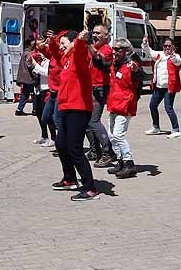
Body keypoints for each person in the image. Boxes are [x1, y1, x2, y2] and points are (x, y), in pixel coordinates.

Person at [53, 29, 101, 201]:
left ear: (73, 43)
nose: (61, 46)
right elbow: (54, 53)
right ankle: (70, 179)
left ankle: (90, 188)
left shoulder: (79, 58)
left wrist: (80, 41)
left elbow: (80, 51)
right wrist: (52, 41)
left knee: (75, 148)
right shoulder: (66, 59)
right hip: (66, 107)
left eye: (64, 43)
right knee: (61, 144)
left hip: (79, 108)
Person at [106, 38, 142, 179]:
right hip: (114, 103)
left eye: (118, 49)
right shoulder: (115, 64)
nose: (115, 51)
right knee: (111, 135)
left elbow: (141, 75)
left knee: (119, 135)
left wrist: (136, 70)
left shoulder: (131, 65)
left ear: (126, 50)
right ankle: (120, 161)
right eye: (114, 49)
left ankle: (129, 164)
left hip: (125, 104)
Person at [86, 25, 115, 167]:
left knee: (94, 121)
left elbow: (99, 59)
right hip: (89, 87)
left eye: (98, 33)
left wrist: (88, 43)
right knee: (87, 122)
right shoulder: (93, 46)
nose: (95, 35)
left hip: (99, 88)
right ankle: (95, 150)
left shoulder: (107, 49)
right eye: (94, 32)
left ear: (106, 36)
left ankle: (107, 152)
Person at [142, 36, 181, 138]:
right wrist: (145, 43)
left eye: (169, 46)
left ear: (173, 46)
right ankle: (156, 127)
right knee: (152, 105)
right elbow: (149, 52)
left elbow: (178, 62)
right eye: (165, 46)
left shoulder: (175, 56)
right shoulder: (159, 54)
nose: (167, 48)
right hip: (159, 87)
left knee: (168, 108)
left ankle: (176, 129)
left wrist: (172, 55)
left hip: (169, 87)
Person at [29, 36, 55, 147]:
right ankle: (44, 136)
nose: (38, 48)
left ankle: (53, 137)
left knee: (47, 115)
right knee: (38, 113)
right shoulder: (37, 56)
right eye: (37, 45)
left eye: (41, 45)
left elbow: (49, 73)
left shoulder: (50, 58)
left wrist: (37, 66)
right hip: (37, 87)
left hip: (47, 88)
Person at [40, 30, 63, 150]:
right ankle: (55, 139)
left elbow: (54, 49)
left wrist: (53, 41)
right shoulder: (53, 56)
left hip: (60, 92)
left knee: (57, 120)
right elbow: (42, 49)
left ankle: (62, 143)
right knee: (45, 117)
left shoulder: (61, 56)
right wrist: (44, 42)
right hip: (52, 92)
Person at [14, 38, 37, 116]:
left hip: (24, 78)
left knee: (25, 94)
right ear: (29, 44)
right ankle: (35, 109)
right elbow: (29, 64)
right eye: (33, 43)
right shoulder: (28, 53)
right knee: (34, 93)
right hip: (29, 78)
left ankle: (19, 109)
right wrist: (36, 68)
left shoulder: (25, 52)